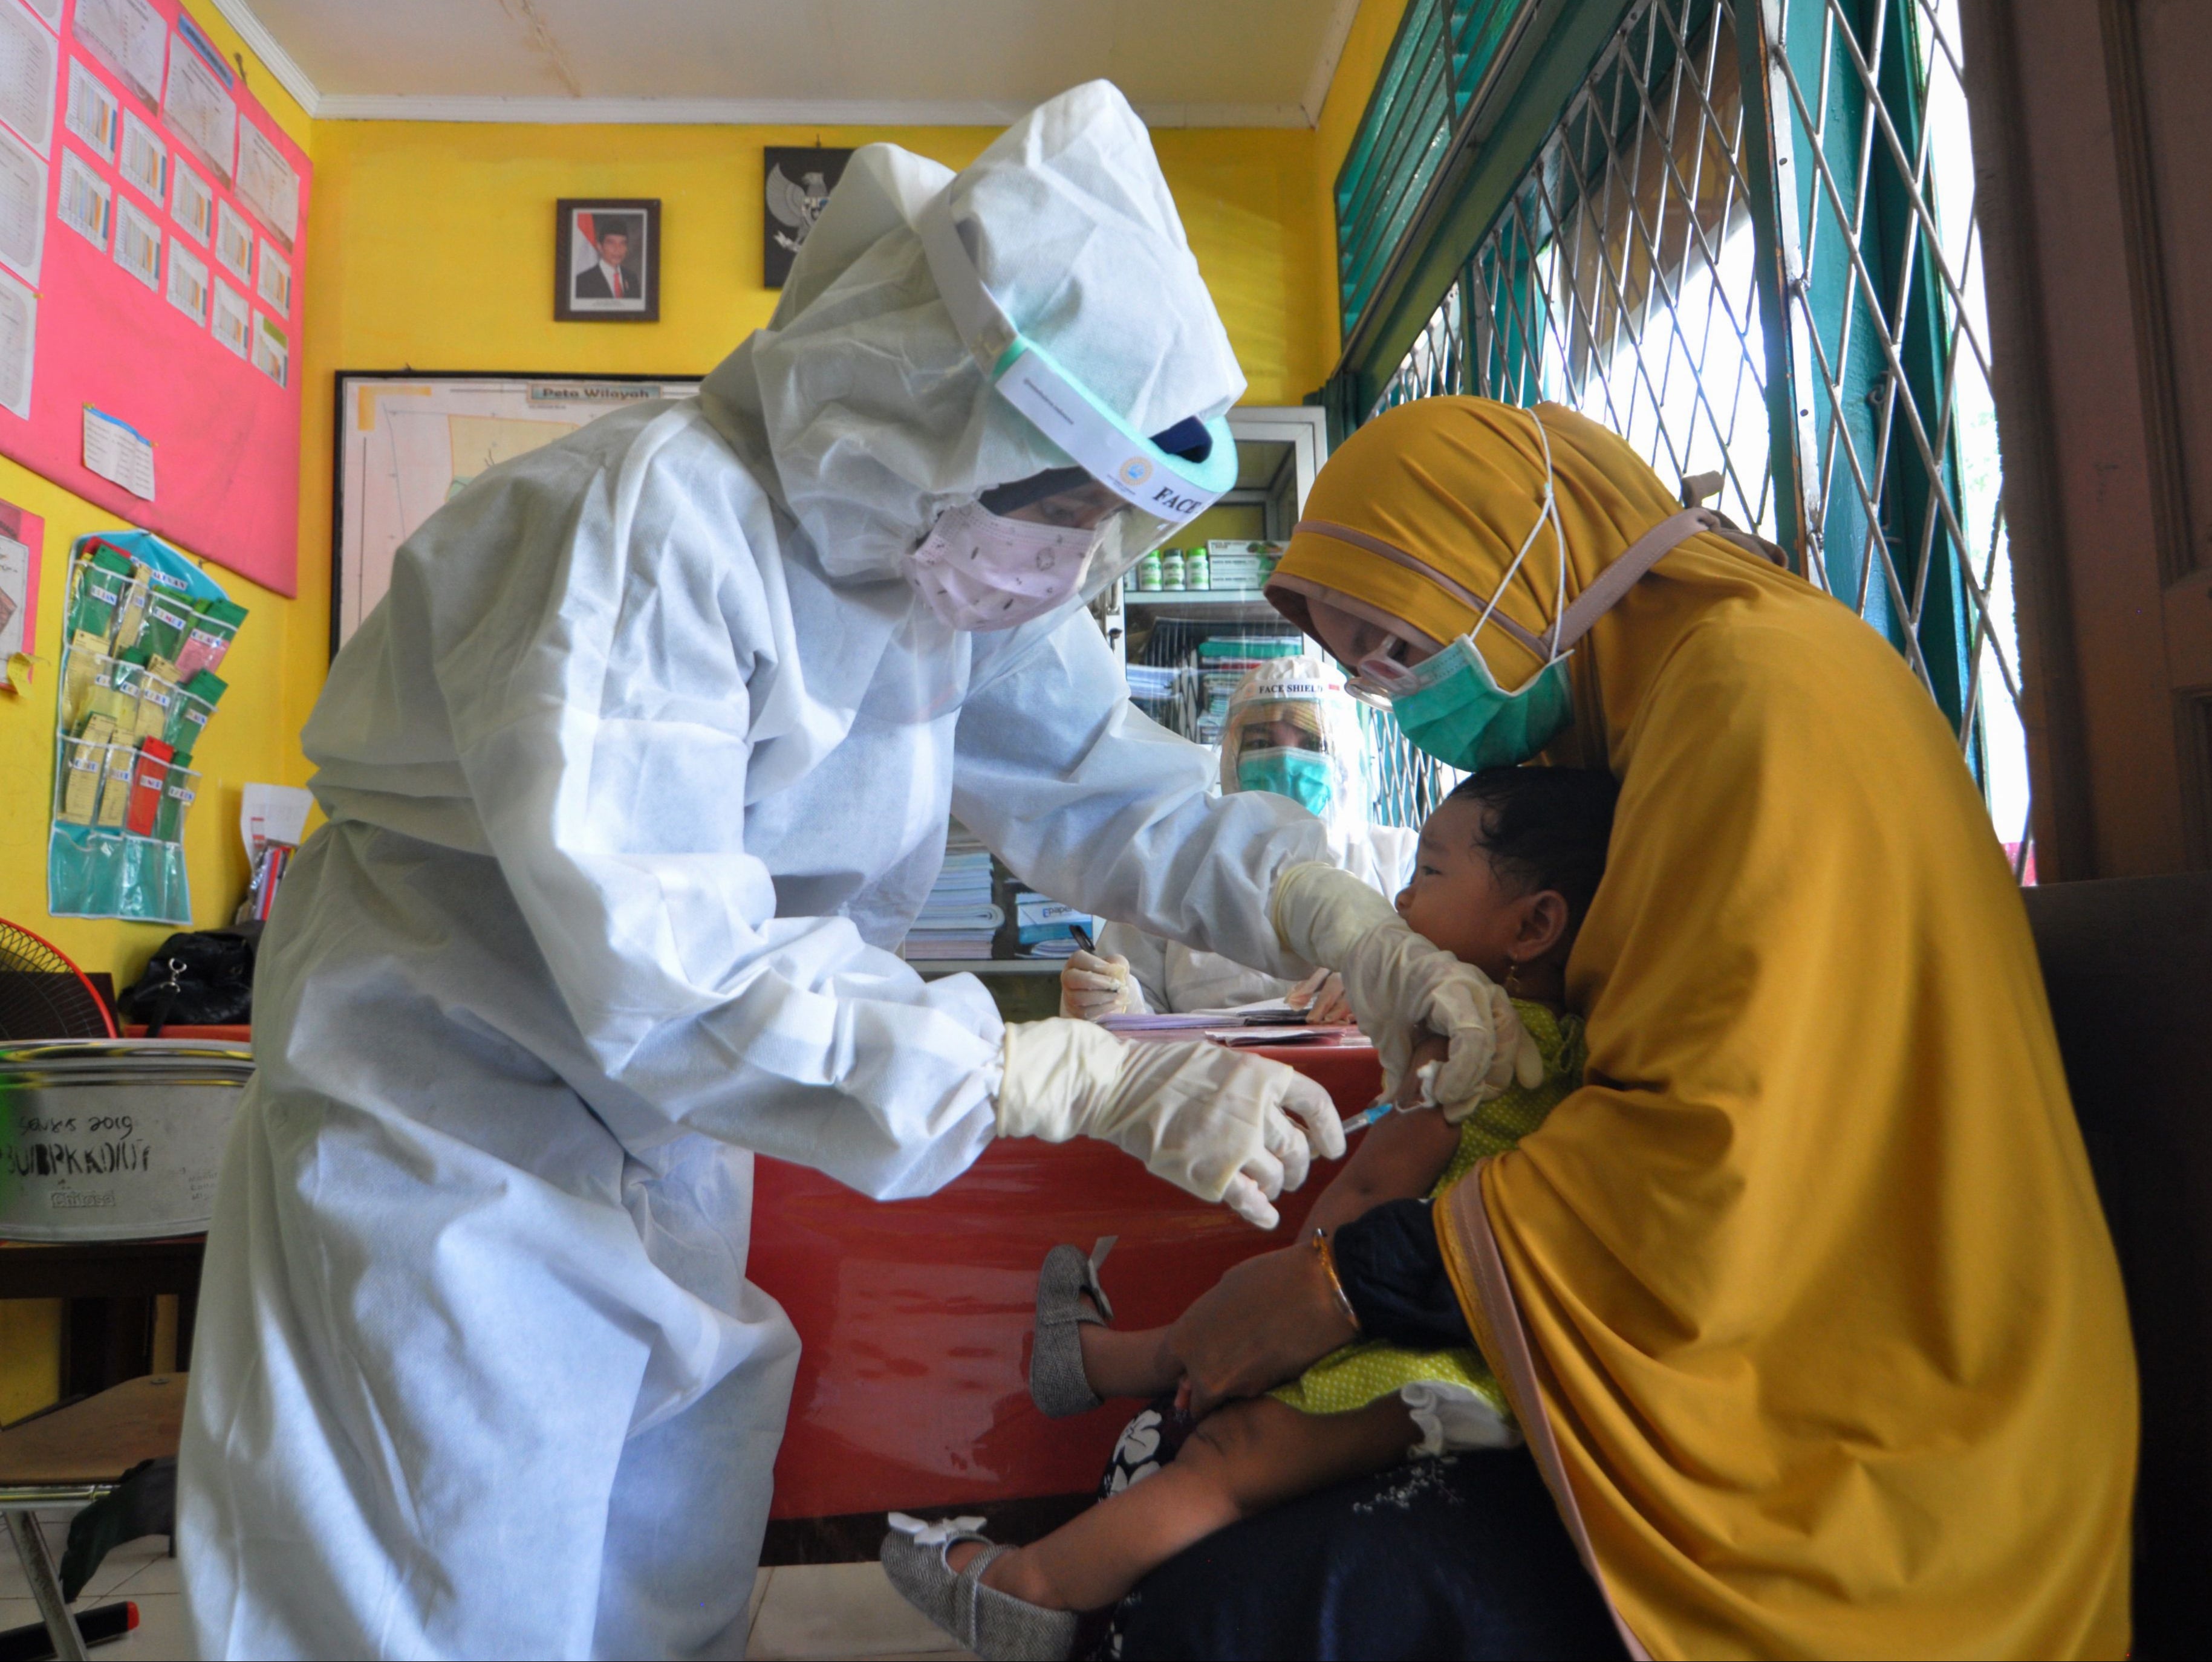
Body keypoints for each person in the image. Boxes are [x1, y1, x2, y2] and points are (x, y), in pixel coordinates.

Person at [175, 85, 1525, 1661]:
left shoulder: (938, 564)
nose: (1066, 563)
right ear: (925, 395)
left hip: (663, 1138)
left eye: (1101, 529)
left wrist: (1350, 926)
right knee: (436, 1587)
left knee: (657, 1568)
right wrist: (1062, 1070)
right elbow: (666, 953)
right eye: (1057, 506)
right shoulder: (654, 527)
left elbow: (1104, 785)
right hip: (445, 1128)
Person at [1131, 396, 2138, 1659]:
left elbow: (1715, 1146)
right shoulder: (1636, 720)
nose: (1389, 701)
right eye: (1358, 668)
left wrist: (1344, 1285)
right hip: (1753, 1337)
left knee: (1246, 1599)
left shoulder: (1754, 694)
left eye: (1398, 648)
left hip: (1880, 1421)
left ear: (1521, 565)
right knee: (1214, 1489)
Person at [881, 767, 1618, 1660]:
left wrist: (1292, 1301)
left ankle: (1028, 1588)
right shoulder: (1567, 1046)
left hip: (1415, 1358)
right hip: (1473, 1355)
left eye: (1427, 872)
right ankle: (1089, 1361)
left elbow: (1368, 1201)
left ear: (1534, 923)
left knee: (1229, 1459)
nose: (1396, 895)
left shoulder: (1465, 1043)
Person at [1058, 655, 1415, 1019]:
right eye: (1261, 743)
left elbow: (1447, 985)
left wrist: (1381, 981)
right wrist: (1115, 1000)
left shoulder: (1401, 858)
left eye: (1311, 743)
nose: (1286, 761)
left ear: (1345, 757)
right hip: (1209, 1073)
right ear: (1231, 756)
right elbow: (1130, 1005)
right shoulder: (1174, 858)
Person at [574, 219, 639, 300]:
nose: (617, 249)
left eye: (622, 243)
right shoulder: (583, 281)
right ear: (600, 247)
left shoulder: (632, 278)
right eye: (611, 243)